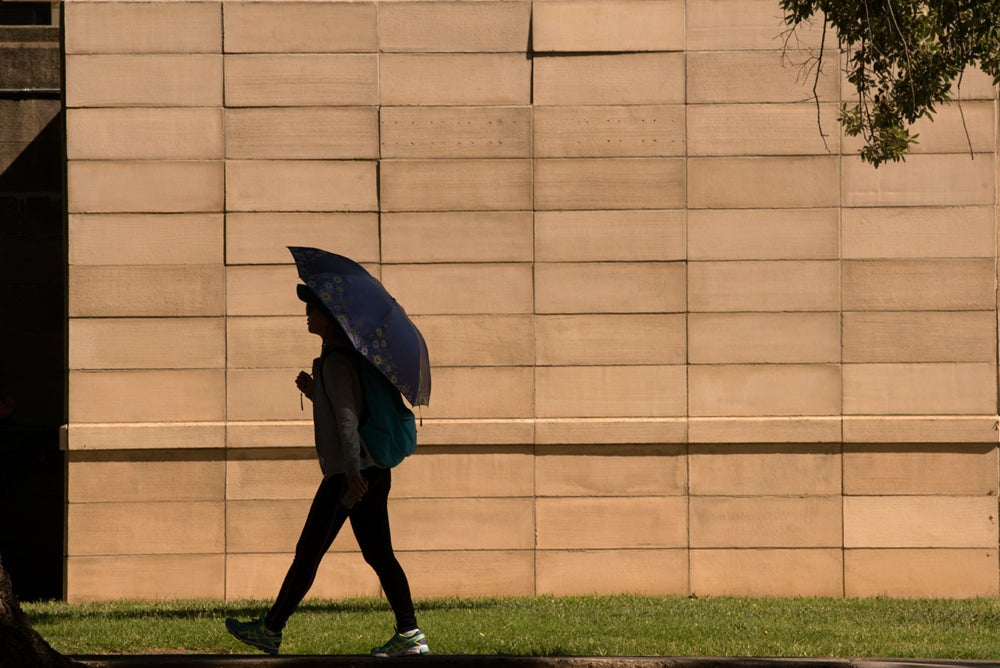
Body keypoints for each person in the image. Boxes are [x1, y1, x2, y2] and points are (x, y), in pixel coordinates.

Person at [225, 285, 428, 657]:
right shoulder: (343, 359)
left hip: (351, 475)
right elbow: (346, 407)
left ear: (329, 320)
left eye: (313, 309)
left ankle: (271, 629)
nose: (307, 314)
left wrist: (351, 473)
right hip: (370, 470)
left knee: (309, 551)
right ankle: (410, 633)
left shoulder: (337, 361)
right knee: (379, 555)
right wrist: (316, 391)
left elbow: (348, 422)